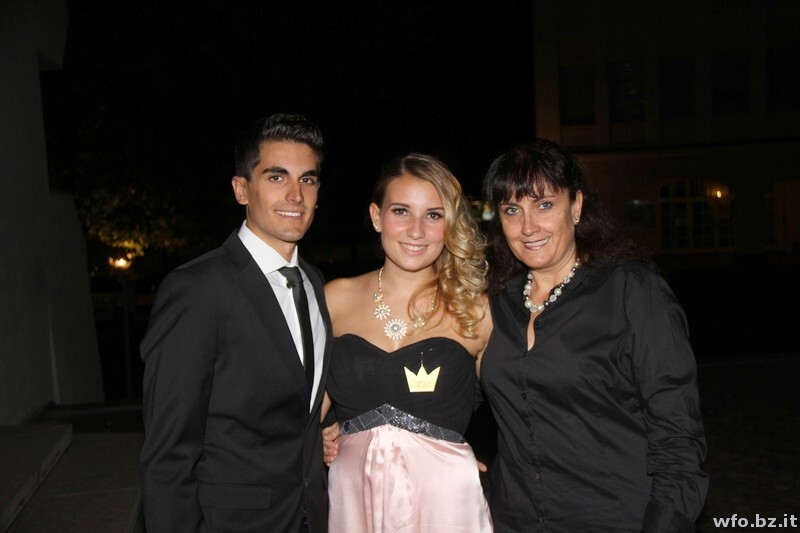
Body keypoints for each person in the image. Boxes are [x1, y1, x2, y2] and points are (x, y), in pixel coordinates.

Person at [479, 138, 708, 532]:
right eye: (512, 210)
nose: (528, 227)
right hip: (514, 519)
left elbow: (678, 436)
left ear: (577, 206)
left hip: (616, 518)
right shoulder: (494, 304)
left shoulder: (631, 291)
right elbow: (445, 391)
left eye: (544, 205)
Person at [139, 113, 331, 533]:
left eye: (308, 180)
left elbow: (298, 410)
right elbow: (169, 452)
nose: (296, 195)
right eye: (277, 177)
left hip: (310, 517)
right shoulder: (196, 290)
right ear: (241, 189)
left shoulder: (314, 283)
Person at [321, 153, 494, 532]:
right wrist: (316, 438)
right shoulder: (334, 299)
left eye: (433, 215)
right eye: (401, 211)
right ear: (376, 216)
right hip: (354, 500)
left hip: (445, 505)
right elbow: (303, 410)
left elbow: (524, 412)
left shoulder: (476, 310)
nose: (416, 230)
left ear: (450, 224)